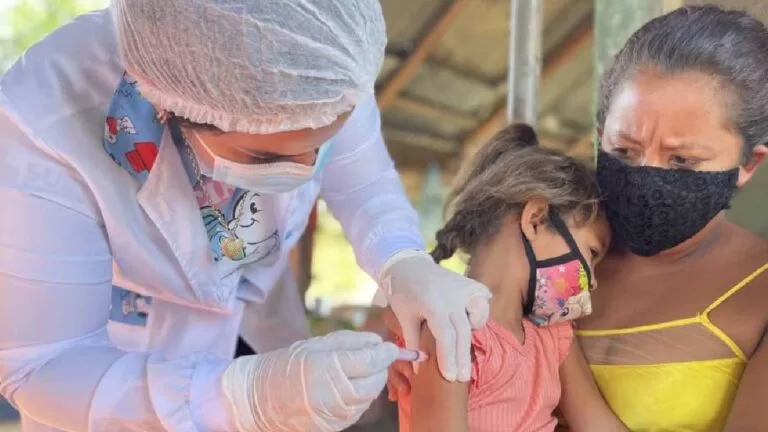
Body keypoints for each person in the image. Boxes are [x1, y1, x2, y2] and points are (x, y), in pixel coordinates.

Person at [0, 1, 491, 431]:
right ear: (171, 108)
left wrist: (401, 258)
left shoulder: (324, 57)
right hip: (118, 368)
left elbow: (365, 184)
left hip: (253, 320)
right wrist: (243, 397)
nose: (306, 173)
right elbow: (43, 367)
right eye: (264, 157)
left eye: (320, 147)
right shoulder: (39, 127)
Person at [575, 5, 768, 431]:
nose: (647, 174)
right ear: (599, 133)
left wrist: (562, 363)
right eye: (624, 151)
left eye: (683, 160)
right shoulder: (552, 244)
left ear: (747, 164)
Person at [389, 124, 626, 432]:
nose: (592, 281)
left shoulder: (553, 336)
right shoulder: (450, 330)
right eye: (592, 253)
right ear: (536, 219)